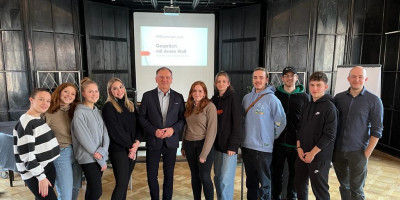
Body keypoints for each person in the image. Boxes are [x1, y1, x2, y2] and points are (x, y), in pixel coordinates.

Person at [333, 66, 383, 200]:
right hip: (338, 151)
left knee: (357, 189)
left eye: (360, 77)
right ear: (348, 78)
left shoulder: (374, 100)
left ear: (365, 79)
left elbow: (377, 130)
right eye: (353, 76)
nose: (356, 79)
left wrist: (366, 154)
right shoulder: (338, 98)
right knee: (344, 185)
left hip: (358, 151)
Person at [139, 67, 185, 200]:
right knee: (152, 175)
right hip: (154, 141)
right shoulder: (147, 96)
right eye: (161, 77)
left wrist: (173, 130)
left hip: (171, 142)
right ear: (156, 79)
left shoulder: (178, 97)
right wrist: (154, 130)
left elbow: (182, 119)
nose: (164, 79)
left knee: (169, 175)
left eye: (167, 77)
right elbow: (141, 117)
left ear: (171, 80)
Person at [242, 67, 287, 200]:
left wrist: (269, 136)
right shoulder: (246, 98)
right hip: (247, 146)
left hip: (263, 149)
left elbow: (281, 122)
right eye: (255, 77)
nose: (258, 80)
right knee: (251, 182)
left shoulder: (272, 99)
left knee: (265, 183)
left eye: (261, 77)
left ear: (266, 79)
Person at [294, 71, 337, 200]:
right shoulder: (307, 105)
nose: (314, 88)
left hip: (318, 157)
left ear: (325, 87)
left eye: (318, 85)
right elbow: (300, 128)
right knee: (299, 185)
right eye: (312, 85)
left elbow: (329, 135)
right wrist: (299, 148)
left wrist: (312, 153)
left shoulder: (330, 108)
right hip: (302, 154)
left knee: (320, 191)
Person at [13, 88, 60, 200]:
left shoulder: (37, 118)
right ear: (31, 100)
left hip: (47, 166)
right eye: (41, 99)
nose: (45, 103)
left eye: (48, 101)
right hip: (34, 173)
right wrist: (41, 177)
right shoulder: (26, 122)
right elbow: (26, 155)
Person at [271, 67, 309, 200]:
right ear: (282, 78)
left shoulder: (304, 97)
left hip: (296, 145)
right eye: (286, 76)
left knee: (294, 175)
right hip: (278, 143)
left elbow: (306, 121)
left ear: (297, 78)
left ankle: (291, 197)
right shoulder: (276, 95)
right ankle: (275, 196)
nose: (289, 78)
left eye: (292, 76)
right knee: (276, 173)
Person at [102, 77, 142, 200]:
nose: (119, 90)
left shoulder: (130, 105)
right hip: (118, 150)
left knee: (124, 184)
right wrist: (131, 147)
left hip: (132, 149)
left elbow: (139, 126)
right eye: (115, 88)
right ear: (110, 91)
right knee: (121, 183)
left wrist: (136, 143)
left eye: (121, 87)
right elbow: (115, 132)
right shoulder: (108, 107)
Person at [71, 77, 110, 200]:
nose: (95, 94)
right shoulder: (79, 113)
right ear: (83, 93)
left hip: (100, 156)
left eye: (96, 91)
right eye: (90, 91)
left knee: (92, 190)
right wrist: (100, 159)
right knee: (96, 192)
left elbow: (105, 134)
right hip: (88, 158)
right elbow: (84, 138)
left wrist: (103, 151)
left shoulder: (97, 111)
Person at [44, 83, 82, 200]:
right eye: (66, 91)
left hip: (78, 152)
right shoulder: (47, 111)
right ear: (59, 92)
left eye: (73, 93)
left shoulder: (76, 110)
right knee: (65, 193)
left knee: (75, 188)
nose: (69, 95)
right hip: (61, 153)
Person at [181, 81, 217, 200]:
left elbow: (212, 132)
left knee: (205, 176)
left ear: (205, 93)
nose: (197, 93)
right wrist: (183, 146)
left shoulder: (210, 106)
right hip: (189, 144)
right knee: (195, 176)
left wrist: (204, 153)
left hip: (204, 145)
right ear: (191, 93)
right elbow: (186, 127)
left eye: (200, 91)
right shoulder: (189, 106)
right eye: (194, 90)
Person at [211, 71, 242, 200]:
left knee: (225, 179)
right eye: (219, 81)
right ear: (215, 83)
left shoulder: (233, 98)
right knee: (217, 177)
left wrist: (233, 146)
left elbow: (238, 123)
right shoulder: (214, 100)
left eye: (224, 81)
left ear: (228, 83)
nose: (221, 83)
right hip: (217, 146)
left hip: (229, 148)